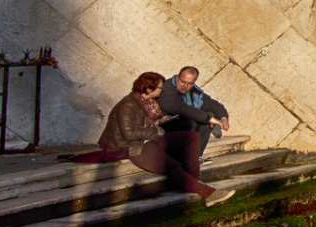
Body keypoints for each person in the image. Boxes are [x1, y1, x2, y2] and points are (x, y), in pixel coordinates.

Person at [97, 72, 232, 205]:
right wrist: (157, 130)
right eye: (160, 87)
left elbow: (144, 123)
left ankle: (192, 181)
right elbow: (129, 134)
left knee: (191, 137)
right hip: (127, 146)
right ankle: (207, 193)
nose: (163, 89)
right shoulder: (128, 104)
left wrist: (160, 121)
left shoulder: (148, 102)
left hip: (145, 139)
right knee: (168, 163)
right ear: (149, 89)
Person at [158, 65, 230, 162]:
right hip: (162, 126)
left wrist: (223, 118)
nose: (185, 86)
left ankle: (195, 157)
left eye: (190, 83)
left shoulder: (194, 91)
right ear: (177, 77)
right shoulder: (165, 88)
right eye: (182, 82)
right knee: (191, 119)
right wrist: (208, 118)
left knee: (208, 116)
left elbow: (213, 105)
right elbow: (182, 109)